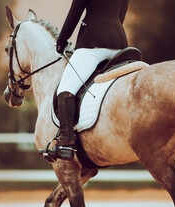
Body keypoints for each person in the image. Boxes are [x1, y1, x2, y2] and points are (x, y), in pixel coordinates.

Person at [47, 0, 129, 160]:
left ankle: (66, 142)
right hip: (119, 43)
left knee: (66, 88)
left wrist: (62, 40)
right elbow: (121, 15)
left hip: (93, 42)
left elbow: (74, 14)